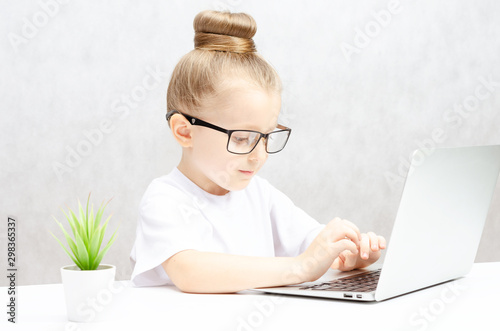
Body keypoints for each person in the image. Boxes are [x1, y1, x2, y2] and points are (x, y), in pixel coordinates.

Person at [129, 10, 386, 293]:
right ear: (184, 131)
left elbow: (313, 245)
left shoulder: (259, 195)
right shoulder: (165, 199)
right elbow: (191, 272)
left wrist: (345, 254)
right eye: (241, 139)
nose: (259, 156)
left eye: (266, 137)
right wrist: (300, 266)